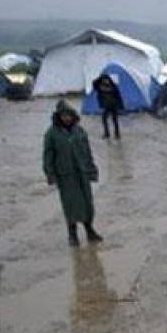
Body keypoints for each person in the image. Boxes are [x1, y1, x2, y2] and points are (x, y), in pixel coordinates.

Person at [43, 101, 102, 246]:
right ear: (59, 116)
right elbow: (48, 156)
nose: (66, 118)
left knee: (88, 204)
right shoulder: (51, 134)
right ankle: (72, 234)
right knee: (71, 206)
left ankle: (89, 230)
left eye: (69, 115)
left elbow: (87, 151)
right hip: (66, 176)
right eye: (63, 115)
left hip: (82, 173)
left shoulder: (79, 131)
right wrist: (50, 174)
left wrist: (92, 169)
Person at [92, 71, 124, 139]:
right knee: (104, 119)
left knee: (114, 120)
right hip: (107, 106)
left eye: (107, 79)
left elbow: (118, 97)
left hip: (113, 105)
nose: (106, 81)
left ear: (109, 79)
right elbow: (94, 83)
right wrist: (100, 78)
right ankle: (107, 133)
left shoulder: (114, 87)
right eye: (104, 80)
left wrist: (120, 106)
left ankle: (117, 134)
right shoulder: (100, 87)